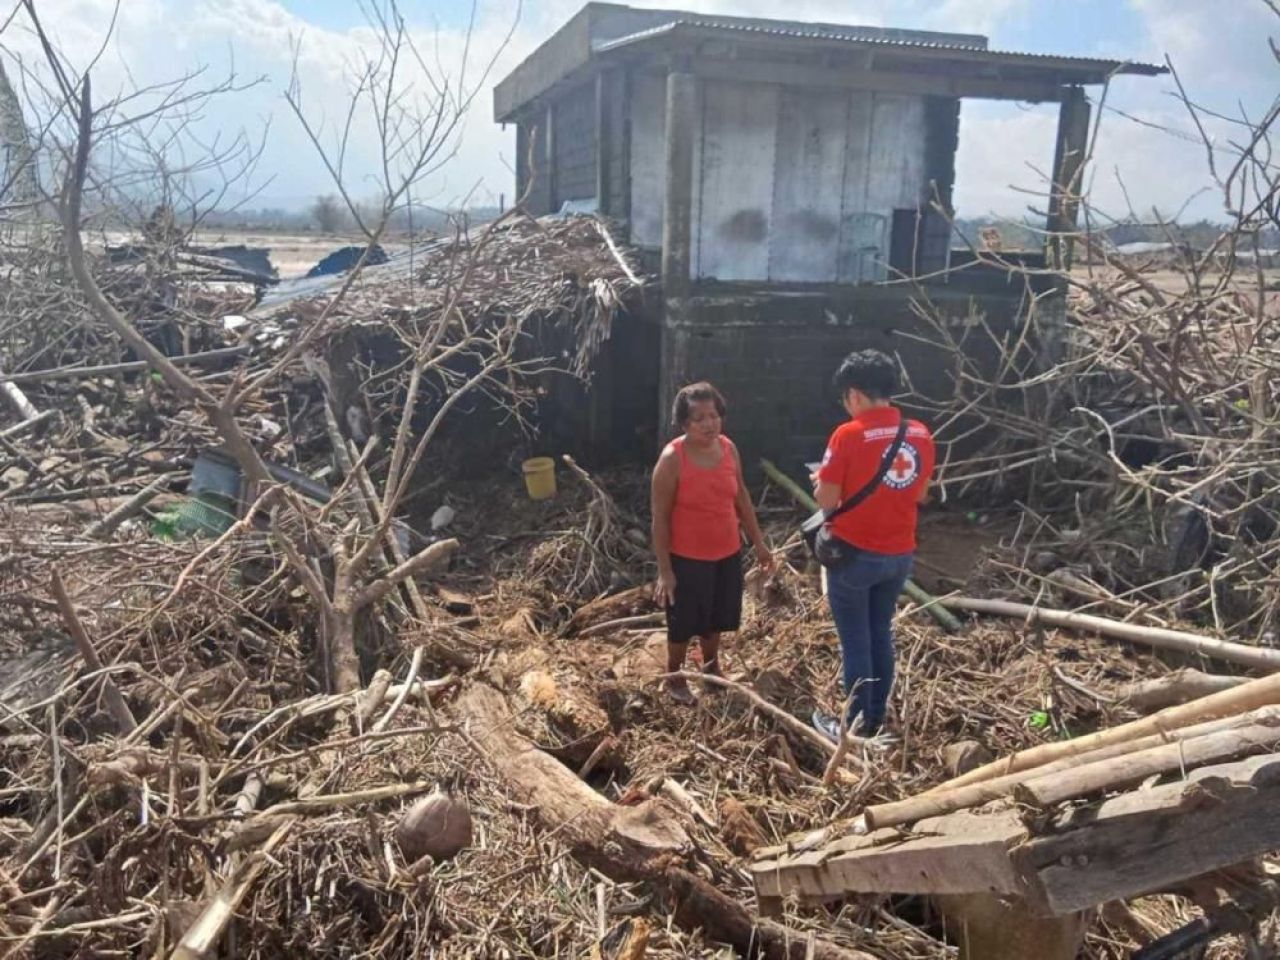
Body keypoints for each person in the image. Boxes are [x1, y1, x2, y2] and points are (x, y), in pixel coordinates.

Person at [810, 349, 934, 744]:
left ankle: (858, 727)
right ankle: (878, 714)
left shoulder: (848, 434)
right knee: (880, 632)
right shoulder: (919, 434)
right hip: (899, 555)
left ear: (855, 395)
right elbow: (921, 493)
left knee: (856, 641)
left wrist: (820, 483)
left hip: (854, 555)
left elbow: (827, 501)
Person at [652, 382, 773, 704]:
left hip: (727, 551)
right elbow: (659, 518)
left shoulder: (729, 449)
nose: (708, 424)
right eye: (699, 418)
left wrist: (759, 544)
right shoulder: (672, 459)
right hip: (686, 557)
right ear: (684, 424)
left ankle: (711, 666)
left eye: (713, 415)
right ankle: (674, 676)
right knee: (683, 621)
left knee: (718, 615)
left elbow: (742, 498)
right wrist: (665, 571)